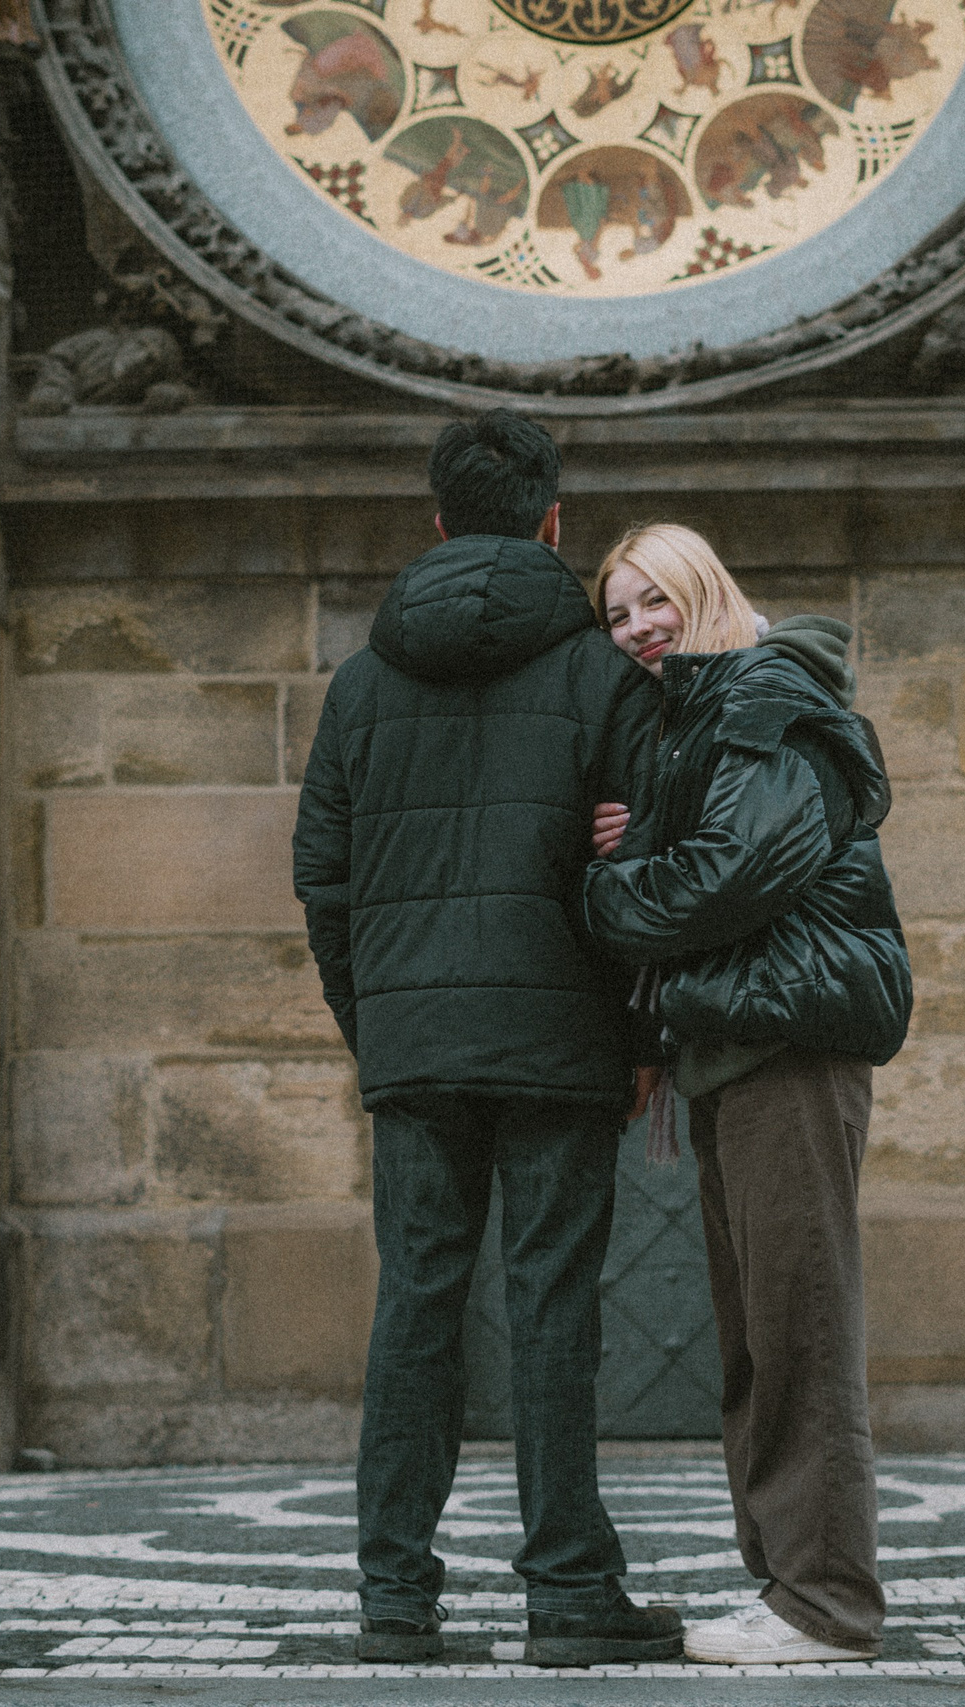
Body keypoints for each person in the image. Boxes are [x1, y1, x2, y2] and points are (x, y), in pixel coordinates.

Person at [291, 411, 682, 1668]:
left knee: (415, 1302)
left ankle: (394, 1598)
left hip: (413, 1048)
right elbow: (636, 872)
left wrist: (378, 1029)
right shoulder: (600, 674)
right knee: (553, 1305)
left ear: (439, 522)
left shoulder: (361, 681)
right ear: (553, 523)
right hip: (564, 1042)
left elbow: (323, 880)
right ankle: (568, 1592)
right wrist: (633, 1036)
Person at [580, 522, 912, 1665]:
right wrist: (652, 834)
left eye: (651, 601)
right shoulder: (707, 713)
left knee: (798, 1331)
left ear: (704, 585)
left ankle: (825, 1604)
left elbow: (735, 875)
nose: (635, 630)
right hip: (737, 1045)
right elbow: (716, 854)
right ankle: (785, 1590)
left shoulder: (766, 694)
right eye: (617, 615)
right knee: (758, 1340)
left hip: (789, 1043)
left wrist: (611, 882)